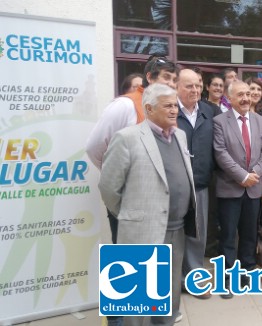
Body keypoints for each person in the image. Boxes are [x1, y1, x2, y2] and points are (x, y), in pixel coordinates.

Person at [86, 55, 179, 326]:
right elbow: (94, 147)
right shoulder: (125, 105)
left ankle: (147, 314)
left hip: (154, 205)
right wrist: (121, 197)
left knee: (151, 264)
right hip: (128, 203)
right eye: (166, 78)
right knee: (125, 268)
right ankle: (118, 320)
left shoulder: (166, 109)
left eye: (174, 80)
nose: (171, 84)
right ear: (149, 78)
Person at [98, 83, 197, 326]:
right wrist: (130, 216)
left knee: (170, 296)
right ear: (149, 108)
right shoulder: (127, 138)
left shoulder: (180, 135)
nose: (175, 110)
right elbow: (108, 187)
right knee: (138, 304)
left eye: (176, 105)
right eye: (168, 105)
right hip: (142, 231)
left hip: (177, 229)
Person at [213, 81, 262, 299]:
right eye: (241, 95)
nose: (246, 98)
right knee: (228, 236)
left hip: (253, 188)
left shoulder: (260, 120)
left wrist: (253, 173)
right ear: (230, 98)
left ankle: (247, 273)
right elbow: (220, 153)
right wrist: (242, 176)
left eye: (248, 94)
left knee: (249, 234)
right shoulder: (219, 121)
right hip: (230, 188)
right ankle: (227, 279)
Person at [176, 69, 220, 299]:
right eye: (189, 86)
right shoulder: (169, 110)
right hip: (173, 186)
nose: (195, 90)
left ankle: (193, 278)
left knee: (197, 233)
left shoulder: (209, 111)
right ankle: (172, 282)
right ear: (176, 86)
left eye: (198, 85)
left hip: (201, 182)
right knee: (173, 234)